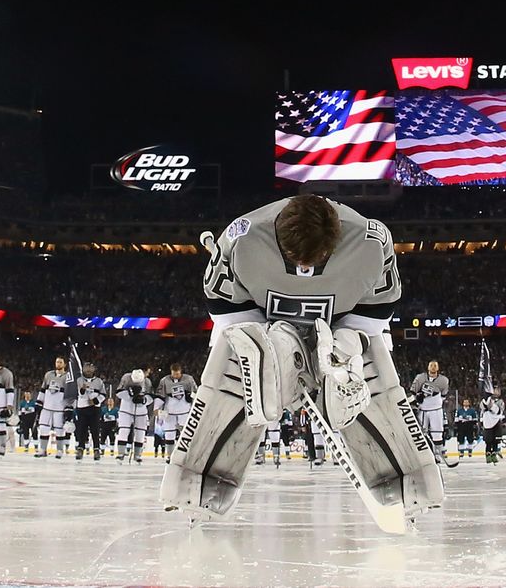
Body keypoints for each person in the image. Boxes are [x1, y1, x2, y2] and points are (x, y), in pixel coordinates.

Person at [160, 194, 443, 527]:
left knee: (358, 375)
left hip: (339, 325)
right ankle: (198, 483)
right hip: (266, 324)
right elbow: (227, 314)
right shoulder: (241, 237)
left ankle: (406, 483)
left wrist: (346, 346)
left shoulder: (371, 240)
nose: (305, 269)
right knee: (247, 367)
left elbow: (375, 314)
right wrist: (269, 357)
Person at [154, 363, 197, 463]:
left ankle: (186, 456)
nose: (175, 376)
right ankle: (170, 456)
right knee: (169, 434)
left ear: (180, 372)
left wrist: (191, 396)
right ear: (171, 372)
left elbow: (196, 392)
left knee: (186, 434)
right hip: (169, 412)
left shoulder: (189, 379)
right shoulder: (165, 381)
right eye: (174, 374)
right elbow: (160, 395)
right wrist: (156, 408)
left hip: (184, 412)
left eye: (177, 374)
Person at [410, 361, 450, 464]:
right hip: (422, 410)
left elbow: (443, 396)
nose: (433, 367)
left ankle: (437, 454)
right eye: (431, 365)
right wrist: (418, 398)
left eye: (435, 365)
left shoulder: (443, 380)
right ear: (428, 367)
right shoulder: (420, 378)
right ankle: (424, 456)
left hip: (436, 410)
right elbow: (413, 393)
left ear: (438, 368)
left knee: (437, 433)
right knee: (422, 433)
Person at [36, 356, 71, 458]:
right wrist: (39, 402)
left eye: (60, 362)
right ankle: (43, 449)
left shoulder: (68, 377)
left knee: (59, 430)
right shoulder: (48, 375)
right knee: (43, 428)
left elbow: (70, 394)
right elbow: (43, 389)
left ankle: (59, 450)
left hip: (59, 408)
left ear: (65, 364)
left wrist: (69, 407)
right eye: (57, 362)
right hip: (47, 407)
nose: (58, 364)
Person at [116, 368, 152, 464]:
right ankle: (120, 453)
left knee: (140, 433)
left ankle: (137, 455)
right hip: (126, 409)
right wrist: (130, 396)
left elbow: (151, 397)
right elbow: (118, 392)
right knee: (123, 430)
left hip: (141, 411)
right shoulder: (126, 378)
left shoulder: (147, 382)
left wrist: (143, 400)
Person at [73, 361, 105, 461]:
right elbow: (80, 393)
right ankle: (80, 448)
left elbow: (103, 395)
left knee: (95, 429)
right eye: (86, 367)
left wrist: (95, 401)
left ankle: (96, 450)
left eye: (90, 367)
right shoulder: (79, 380)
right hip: (82, 407)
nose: (88, 369)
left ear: (94, 369)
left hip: (94, 408)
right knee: (82, 429)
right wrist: (83, 389)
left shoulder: (99, 381)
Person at [480, 392, 506, 464]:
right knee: (488, 441)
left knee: (496, 440)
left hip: (497, 422)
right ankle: (488, 455)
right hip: (488, 422)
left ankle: (494, 454)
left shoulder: (500, 401)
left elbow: (501, 411)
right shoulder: (485, 401)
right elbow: (482, 409)